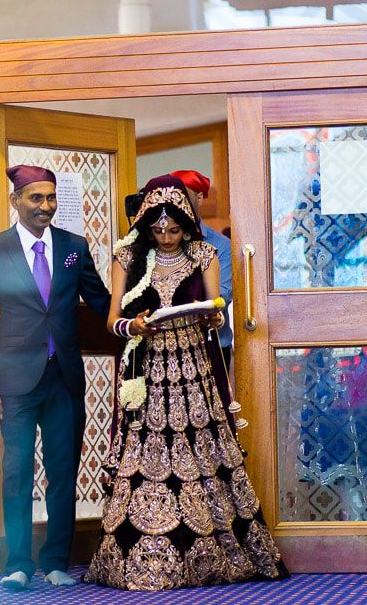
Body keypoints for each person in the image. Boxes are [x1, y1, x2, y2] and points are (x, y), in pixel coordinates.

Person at [84, 174, 288, 591]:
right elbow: (110, 321)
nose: (166, 236)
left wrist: (213, 317)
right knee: (146, 453)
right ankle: (140, 557)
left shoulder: (204, 252)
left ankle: (211, 556)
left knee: (203, 449)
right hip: (147, 366)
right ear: (144, 223)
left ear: (187, 223)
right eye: (157, 229)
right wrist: (134, 324)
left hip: (195, 364)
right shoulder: (128, 256)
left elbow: (215, 309)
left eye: (174, 228)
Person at [0, 164, 111, 590]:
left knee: (63, 471)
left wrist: (134, 320)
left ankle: (55, 563)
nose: (45, 206)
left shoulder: (74, 246)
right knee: (16, 474)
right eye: (36, 198)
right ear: (17, 202)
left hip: (65, 378)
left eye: (50, 198)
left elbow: (102, 301)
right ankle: (18, 564)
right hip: (14, 383)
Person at [170, 170, 233, 369]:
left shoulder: (220, 245)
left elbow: (222, 295)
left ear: (199, 197)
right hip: (171, 347)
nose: (176, 204)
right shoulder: (161, 243)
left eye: (183, 196)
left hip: (212, 344)